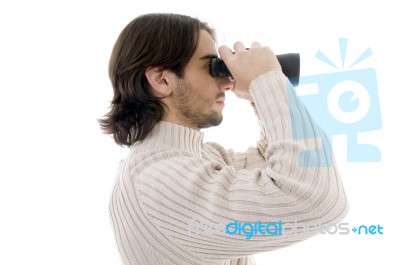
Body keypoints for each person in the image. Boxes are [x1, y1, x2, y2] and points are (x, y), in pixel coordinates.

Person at [99, 13, 348, 265]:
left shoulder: (192, 160)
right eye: (211, 67)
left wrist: (257, 93)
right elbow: (316, 200)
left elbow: (274, 160)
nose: (226, 82)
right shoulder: (159, 181)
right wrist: (267, 81)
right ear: (162, 80)